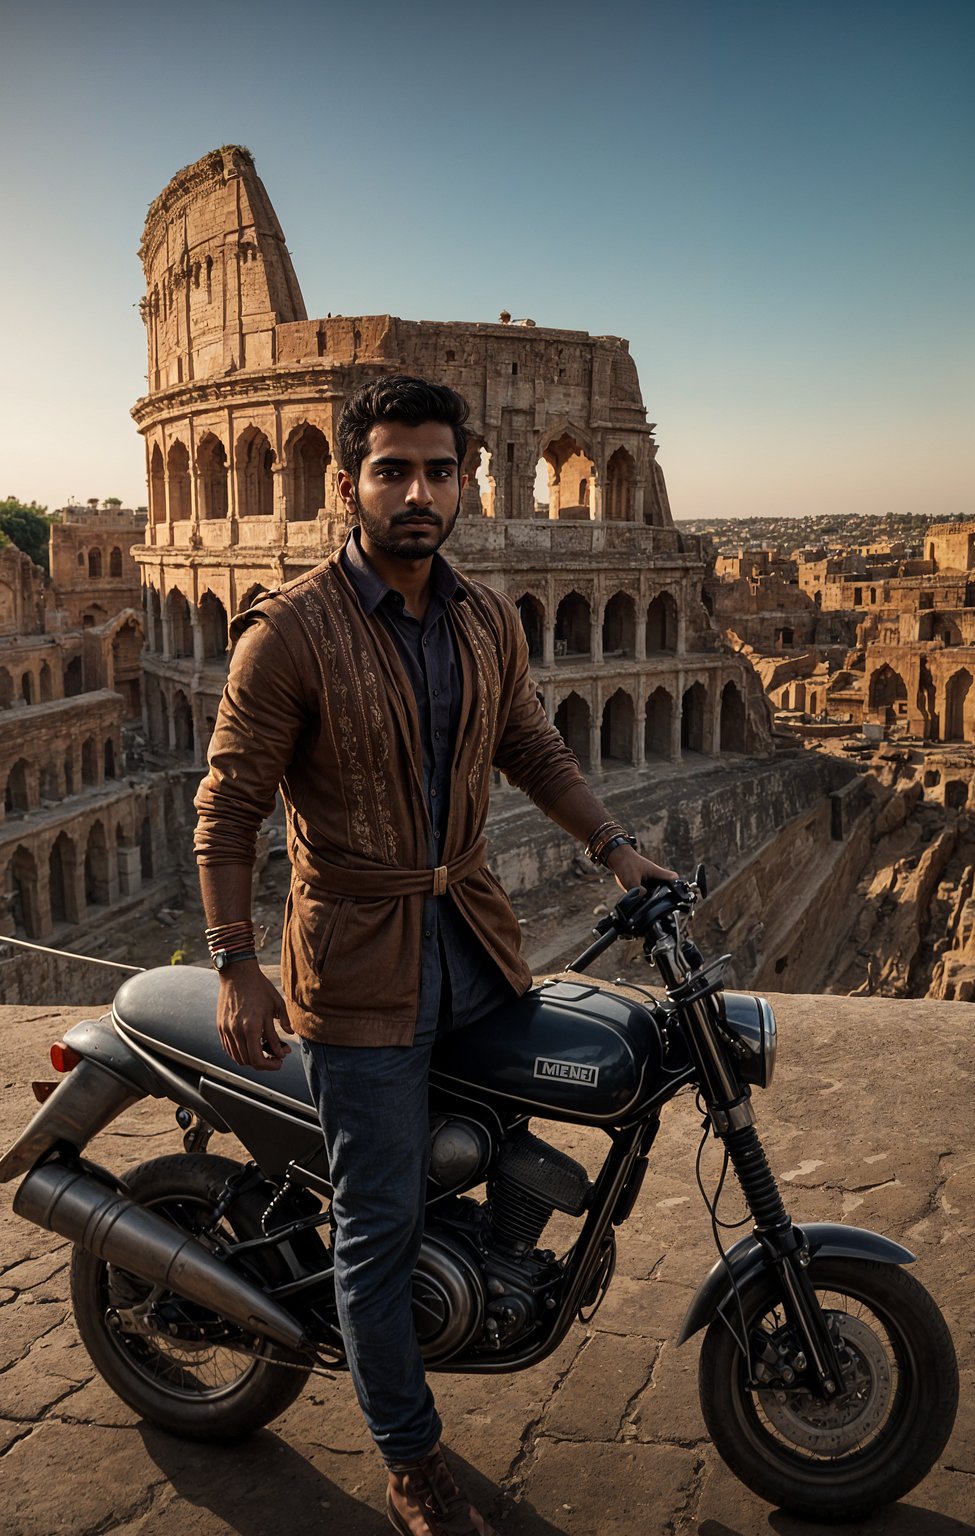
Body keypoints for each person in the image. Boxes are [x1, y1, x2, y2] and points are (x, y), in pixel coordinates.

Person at [194, 376, 676, 1536]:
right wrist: (233, 959)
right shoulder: (290, 632)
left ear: (466, 478)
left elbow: (530, 745)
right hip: (356, 963)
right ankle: (411, 1462)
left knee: (527, 1120)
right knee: (376, 1218)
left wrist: (616, 847)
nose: (418, 492)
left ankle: (479, 1291)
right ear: (347, 483)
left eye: (439, 470)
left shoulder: (482, 619)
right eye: (393, 469)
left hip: (470, 942)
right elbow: (228, 809)